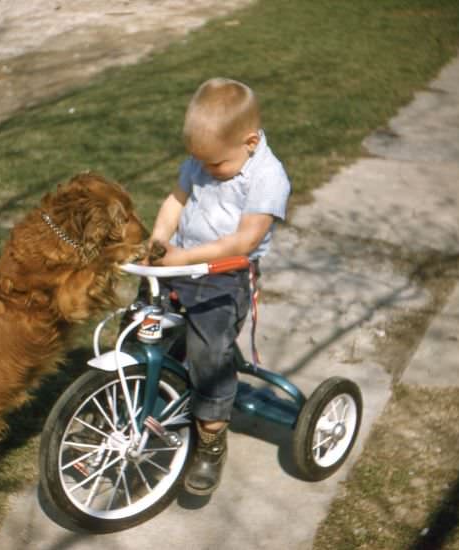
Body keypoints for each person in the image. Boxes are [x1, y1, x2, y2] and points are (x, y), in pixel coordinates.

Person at [147, 77, 290, 495]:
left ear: (249, 142)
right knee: (147, 325)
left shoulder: (267, 176)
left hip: (224, 276)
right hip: (182, 263)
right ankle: (144, 395)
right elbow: (176, 200)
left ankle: (210, 438)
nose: (206, 172)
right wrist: (159, 240)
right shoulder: (205, 158)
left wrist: (183, 257)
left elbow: (244, 241)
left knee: (209, 353)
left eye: (216, 166)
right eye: (200, 163)